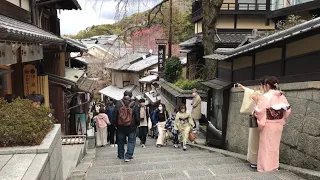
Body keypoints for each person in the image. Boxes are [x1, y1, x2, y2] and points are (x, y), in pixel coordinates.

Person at [252, 76, 291, 172]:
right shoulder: (282, 96)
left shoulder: (266, 96)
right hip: (278, 124)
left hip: (268, 124)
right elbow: (288, 111)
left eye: (265, 85)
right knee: (274, 147)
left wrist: (255, 107)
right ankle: (274, 166)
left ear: (268, 85)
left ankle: (265, 168)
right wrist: (281, 116)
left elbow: (260, 111)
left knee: (265, 146)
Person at [237, 76, 267, 169]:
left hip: (258, 118)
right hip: (265, 120)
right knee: (260, 141)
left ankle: (255, 161)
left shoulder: (262, 94)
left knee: (255, 141)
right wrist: (243, 87)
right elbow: (250, 92)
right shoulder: (267, 95)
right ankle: (259, 161)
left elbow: (250, 93)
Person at [114, 90, 140, 162]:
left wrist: (115, 124)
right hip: (132, 126)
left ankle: (121, 155)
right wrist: (137, 124)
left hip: (120, 126)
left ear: (124, 95)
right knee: (131, 141)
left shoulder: (118, 103)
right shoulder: (134, 104)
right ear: (131, 96)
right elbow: (137, 116)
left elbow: (115, 115)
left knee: (120, 141)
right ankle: (128, 156)